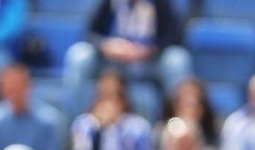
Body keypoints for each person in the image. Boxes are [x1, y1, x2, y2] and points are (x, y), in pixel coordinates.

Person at [64, 0, 194, 100]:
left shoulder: (160, 3)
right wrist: (106, 45)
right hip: (112, 62)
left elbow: (175, 37)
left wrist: (149, 50)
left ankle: (177, 125)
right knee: (79, 55)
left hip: (148, 63)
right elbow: (89, 34)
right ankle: (74, 122)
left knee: (177, 59)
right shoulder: (108, 2)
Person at [67, 69, 154, 150]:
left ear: (123, 99)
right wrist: (99, 130)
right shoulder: (83, 124)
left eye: (113, 96)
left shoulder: (138, 126)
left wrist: (116, 127)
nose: (108, 102)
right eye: (103, 95)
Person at [162, 76, 221, 150]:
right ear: (175, 105)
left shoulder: (212, 135)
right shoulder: (161, 133)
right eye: (186, 104)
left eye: (196, 104)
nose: (191, 110)